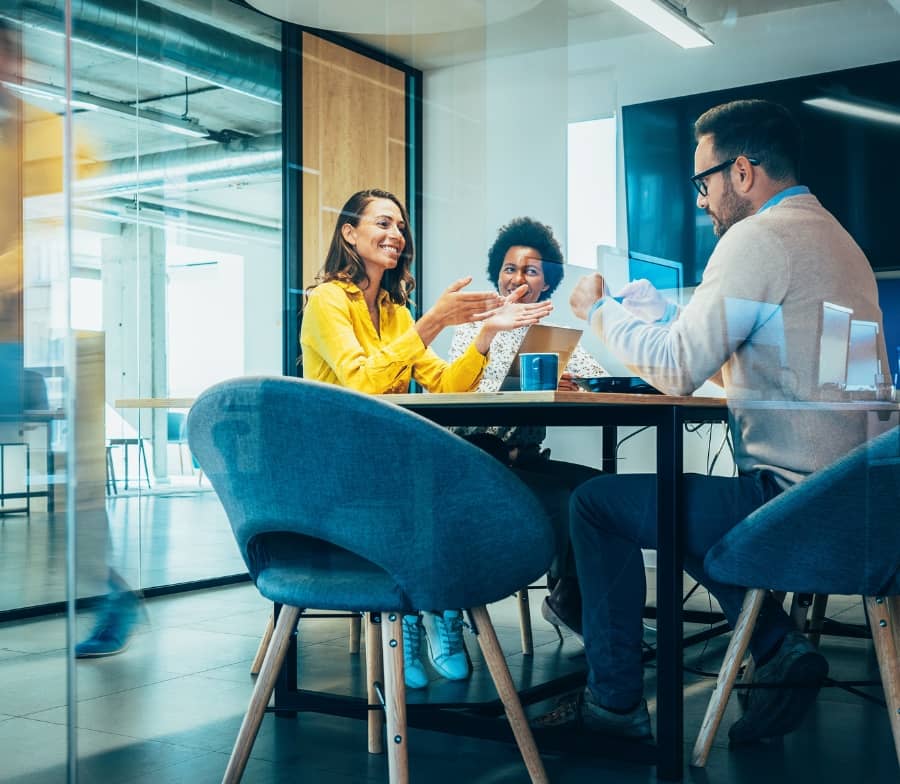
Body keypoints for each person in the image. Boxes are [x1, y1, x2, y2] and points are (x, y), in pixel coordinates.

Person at [538, 99, 888, 744]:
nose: (701, 200)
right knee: (683, 501)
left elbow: (673, 370)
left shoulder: (757, 237)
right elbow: (837, 376)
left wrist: (602, 310)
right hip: (857, 503)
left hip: (793, 504)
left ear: (745, 170)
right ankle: (777, 646)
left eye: (704, 181)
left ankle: (612, 709)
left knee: (596, 503)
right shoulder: (841, 244)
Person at [299, 189, 553, 689]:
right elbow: (360, 383)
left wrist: (484, 335)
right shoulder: (327, 300)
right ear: (349, 233)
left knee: (463, 468)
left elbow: (446, 384)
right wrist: (434, 320)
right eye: (383, 224)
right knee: (447, 477)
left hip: (390, 455)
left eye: (400, 227)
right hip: (343, 463)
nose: (397, 235)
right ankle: (426, 608)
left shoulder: (395, 311)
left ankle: (432, 608)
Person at [0, 18, 140, 658]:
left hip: (50, 336)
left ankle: (111, 594)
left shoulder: (57, 139)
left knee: (79, 487)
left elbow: (48, 236)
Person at [447, 217, 606, 639]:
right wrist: (536, 377)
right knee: (566, 499)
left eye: (530, 270)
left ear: (546, 283)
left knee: (600, 490)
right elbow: (471, 388)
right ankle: (567, 602)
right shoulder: (474, 327)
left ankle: (574, 602)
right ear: (497, 275)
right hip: (479, 460)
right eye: (509, 269)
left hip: (527, 460)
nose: (518, 278)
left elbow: (594, 379)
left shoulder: (552, 335)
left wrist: (579, 381)